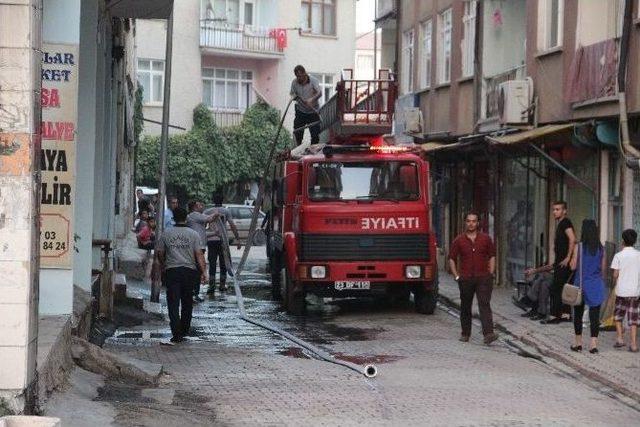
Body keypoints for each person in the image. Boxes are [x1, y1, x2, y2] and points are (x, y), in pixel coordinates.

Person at [155, 207, 207, 344]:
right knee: (187, 302)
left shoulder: (166, 233)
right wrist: (204, 272)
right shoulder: (193, 234)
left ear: (173, 219)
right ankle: (184, 330)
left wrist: (163, 265)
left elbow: (160, 253)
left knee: (173, 303)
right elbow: (199, 255)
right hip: (189, 272)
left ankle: (176, 333)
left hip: (172, 271)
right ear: (187, 218)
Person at [448, 212, 498, 345]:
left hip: (483, 278)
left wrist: (491, 273)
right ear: (465, 222)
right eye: (469, 221)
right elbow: (452, 258)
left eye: (474, 221)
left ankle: (488, 333)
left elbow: (492, 255)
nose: (471, 223)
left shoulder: (486, 239)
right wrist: (456, 275)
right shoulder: (459, 240)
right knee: (465, 306)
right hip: (465, 278)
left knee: (484, 304)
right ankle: (465, 333)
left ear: (478, 223)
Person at [526, 201, 576, 324]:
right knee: (560, 288)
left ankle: (555, 316)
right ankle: (565, 315)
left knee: (556, 289)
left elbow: (573, 239)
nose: (555, 212)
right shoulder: (560, 224)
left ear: (564, 211)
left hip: (564, 263)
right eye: (554, 209)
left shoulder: (565, 222)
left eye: (558, 209)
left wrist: (568, 257)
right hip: (559, 262)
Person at [569, 219, 605, 354]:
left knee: (578, 314)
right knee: (594, 316)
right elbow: (603, 268)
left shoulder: (579, 246)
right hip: (595, 284)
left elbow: (573, 266)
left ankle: (578, 344)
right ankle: (593, 345)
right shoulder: (601, 248)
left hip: (581, 284)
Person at [204, 193, 241, 294]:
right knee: (223, 263)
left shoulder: (207, 212)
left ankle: (211, 286)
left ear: (213, 200)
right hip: (222, 241)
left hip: (211, 240)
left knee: (212, 263)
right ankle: (222, 285)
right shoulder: (226, 211)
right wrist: (238, 239)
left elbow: (203, 225)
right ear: (222, 200)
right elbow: (232, 225)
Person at [611, 228, 640, 352]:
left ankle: (620, 339)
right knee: (633, 318)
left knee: (618, 315)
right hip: (635, 291)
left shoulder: (618, 255)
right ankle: (633, 344)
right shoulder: (639, 255)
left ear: (623, 241)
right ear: (635, 241)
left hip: (621, 291)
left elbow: (615, 275)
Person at [187, 200, 218, 302]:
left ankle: (194, 293)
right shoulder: (195, 215)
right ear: (195, 206)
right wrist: (217, 212)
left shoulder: (195, 218)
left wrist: (214, 233)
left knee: (197, 270)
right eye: (200, 205)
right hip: (197, 248)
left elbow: (202, 233)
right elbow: (210, 218)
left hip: (199, 247)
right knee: (197, 270)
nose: (202, 206)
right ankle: (193, 293)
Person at [290, 65, 322, 146]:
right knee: (297, 132)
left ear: (305, 73)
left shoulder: (313, 81)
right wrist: (295, 97)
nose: (299, 78)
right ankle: (298, 149)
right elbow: (292, 93)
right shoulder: (294, 82)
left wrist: (311, 100)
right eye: (297, 76)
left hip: (313, 112)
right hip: (301, 112)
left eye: (301, 76)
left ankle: (313, 152)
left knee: (315, 135)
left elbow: (319, 93)